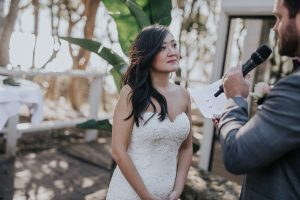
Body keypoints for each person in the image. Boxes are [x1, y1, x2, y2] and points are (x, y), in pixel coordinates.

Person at [215, 0, 300, 199]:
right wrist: (233, 123)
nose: (275, 27)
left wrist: (235, 98)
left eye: (279, 17)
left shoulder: (295, 88)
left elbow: (236, 155)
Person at [106, 24, 193, 200]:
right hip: (130, 194)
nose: (171, 52)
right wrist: (147, 197)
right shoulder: (131, 94)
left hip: (169, 195)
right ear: (148, 54)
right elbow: (118, 151)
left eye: (173, 45)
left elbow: (186, 147)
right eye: (162, 48)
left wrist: (178, 189)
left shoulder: (184, 95)